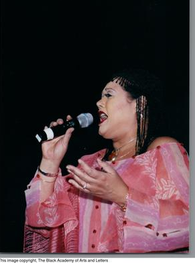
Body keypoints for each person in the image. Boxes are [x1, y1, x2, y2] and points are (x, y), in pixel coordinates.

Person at [23, 68, 189, 253]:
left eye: (108, 95)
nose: (98, 102)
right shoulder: (90, 163)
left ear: (140, 104)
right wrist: (49, 161)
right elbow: (41, 220)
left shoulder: (161, 149)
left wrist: (123, 195)